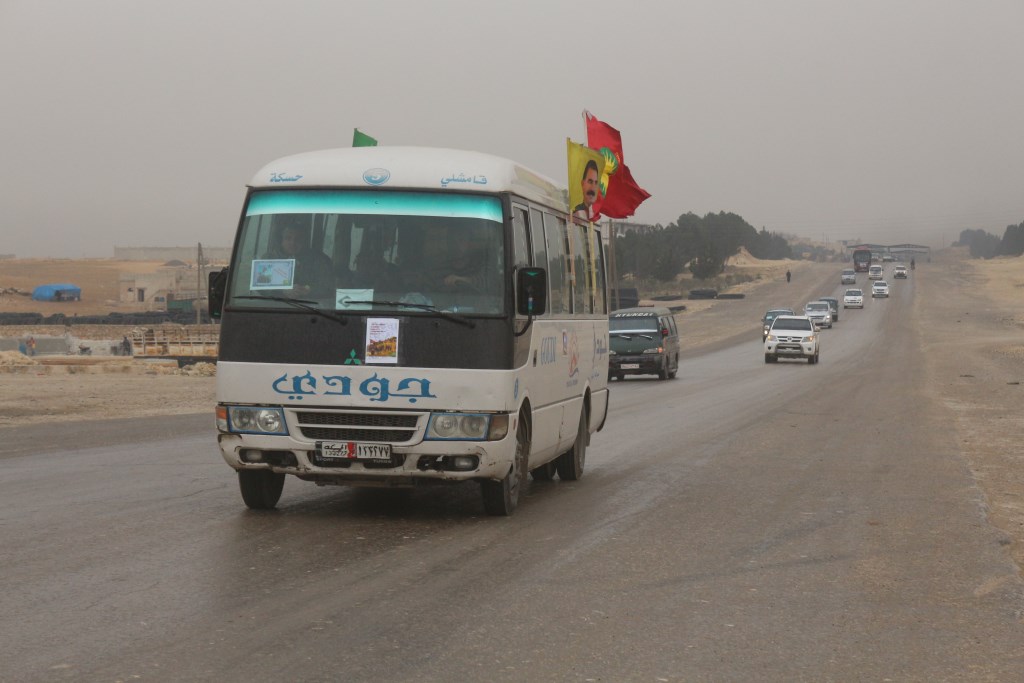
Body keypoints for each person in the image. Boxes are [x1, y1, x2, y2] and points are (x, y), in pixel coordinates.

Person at [268, 218, 334, 298]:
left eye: (298, 239)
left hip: (313, 307)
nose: (292, 243)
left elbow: (329, 286)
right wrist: (282, 290)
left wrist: (309, 290)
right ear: (281, 240)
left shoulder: (319, 260)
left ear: (304, 241)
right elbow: (258, 286)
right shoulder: (269, 259)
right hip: (273, 307)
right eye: (288, 238)